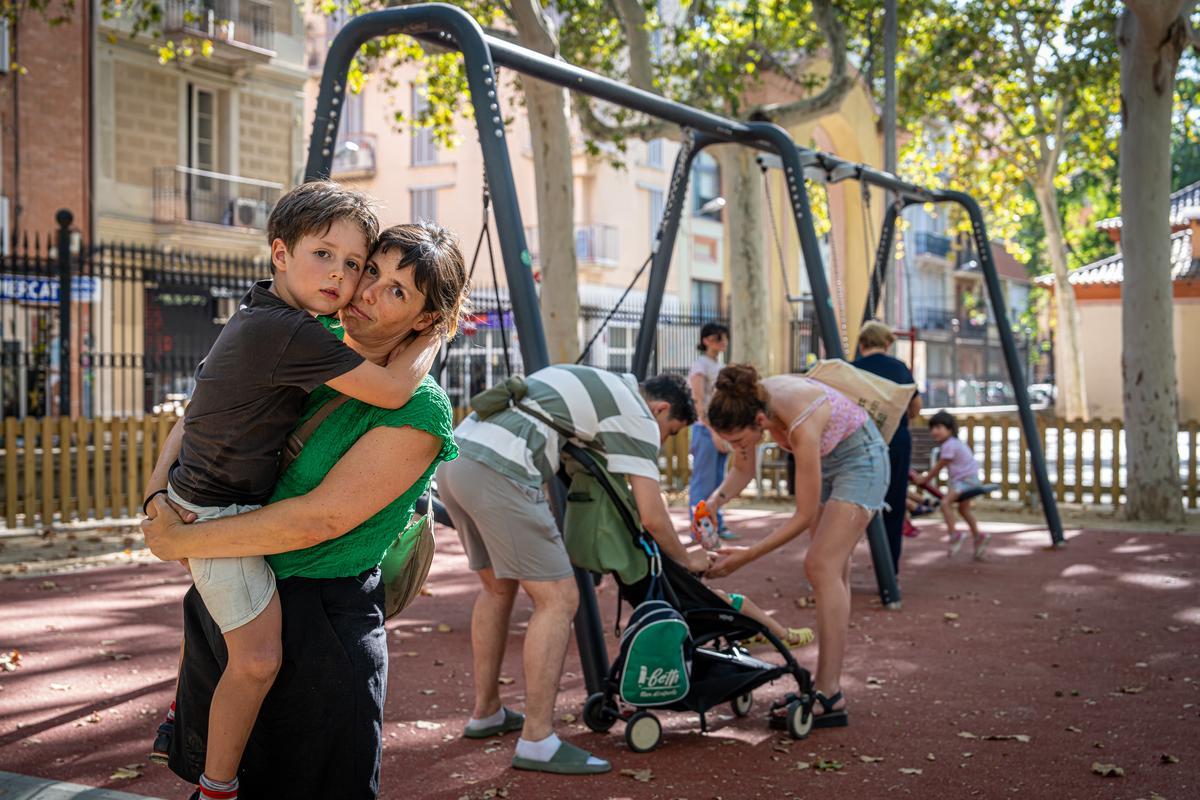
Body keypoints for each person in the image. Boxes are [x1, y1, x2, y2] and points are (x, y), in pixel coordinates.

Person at [141, 222, 468, 799]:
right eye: (372, 270)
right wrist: (154, 498)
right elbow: (201, 414)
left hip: (318, 628)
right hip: (236, 598)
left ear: (423, 321)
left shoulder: (420, 408)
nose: (366, 291)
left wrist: (180, 542)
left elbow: (319, 519)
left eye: (397, 290)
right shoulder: (304, 342)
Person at [436, 366, 709, 775]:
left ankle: (487, 711)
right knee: (560, 599)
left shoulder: (598, 380)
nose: (662, 440)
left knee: (497, 589)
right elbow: (651, 515)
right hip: (501, 470)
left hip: (456, 458)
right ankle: (538, 740)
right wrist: (688, 560)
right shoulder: (638, 415)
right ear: (661, 408)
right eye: (670, 432)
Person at [702, 364, 889, 730]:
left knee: (820, 566)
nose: (739, 448)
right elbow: (742, 471)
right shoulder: (748, 405)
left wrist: (745, 557)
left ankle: (830, 692)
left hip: (862, 460)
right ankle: (826, 687)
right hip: (830, 458)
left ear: (759, 420)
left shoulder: (800, 420)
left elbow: (802, 515)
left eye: (741, 441)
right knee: (831, 571)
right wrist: (713, 503)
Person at [853, 320, 921, 572]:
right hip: (895, 438)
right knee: (894, 499)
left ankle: (839, 563)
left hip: (860, 440)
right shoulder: (900, 368)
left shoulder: (853, 369)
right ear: (887, 343)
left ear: (862, 344)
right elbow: (915, 406)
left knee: (852, 500)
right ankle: (889, 568)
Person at [919, 410, 990, 559]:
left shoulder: (949, 445)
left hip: (964, 482)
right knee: (964, 510)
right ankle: (979, 536)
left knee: (945, 503)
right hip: (970, 479)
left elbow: (940, 466)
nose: (934, 431)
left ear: (949, 429)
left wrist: (924, 480)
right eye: (932, 428)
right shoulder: (955, 443)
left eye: (938, 427)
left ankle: (954, 534)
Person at [688, 322, 735, 540]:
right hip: (706, 429)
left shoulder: (720, 365)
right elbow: (698, 401)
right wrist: (713, 431)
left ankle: (717, 523)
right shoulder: (701, 365)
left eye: (725, 338)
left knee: (718, 481)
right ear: (706, 340)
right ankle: (700, 525)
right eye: (718, 338)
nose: (723, 342)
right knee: (703, 481)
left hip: (720, 429)